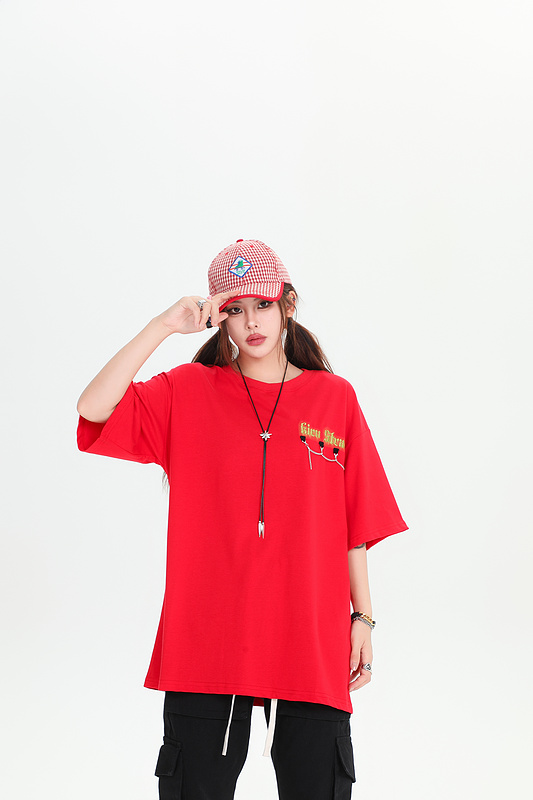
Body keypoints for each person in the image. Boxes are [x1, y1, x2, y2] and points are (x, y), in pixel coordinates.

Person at [76, 238, 408, 800]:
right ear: (219, 317)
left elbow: (356, 522)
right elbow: (93, 408)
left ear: (288, 305)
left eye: (263, 305)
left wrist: (363, 619)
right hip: (207, 637)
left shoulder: (335, 399)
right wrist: (164, 326)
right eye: (234, 309)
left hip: (309, 633)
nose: (251, 322)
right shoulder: (187, 391)